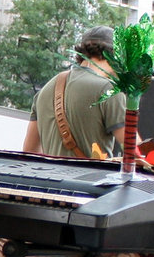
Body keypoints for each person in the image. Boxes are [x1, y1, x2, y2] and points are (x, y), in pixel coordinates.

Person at [23, 26, 128, 158]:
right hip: (91, 178)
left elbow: (29, 153)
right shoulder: (109, 91)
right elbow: (132, 150)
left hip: (50, 177)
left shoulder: (45, 90)